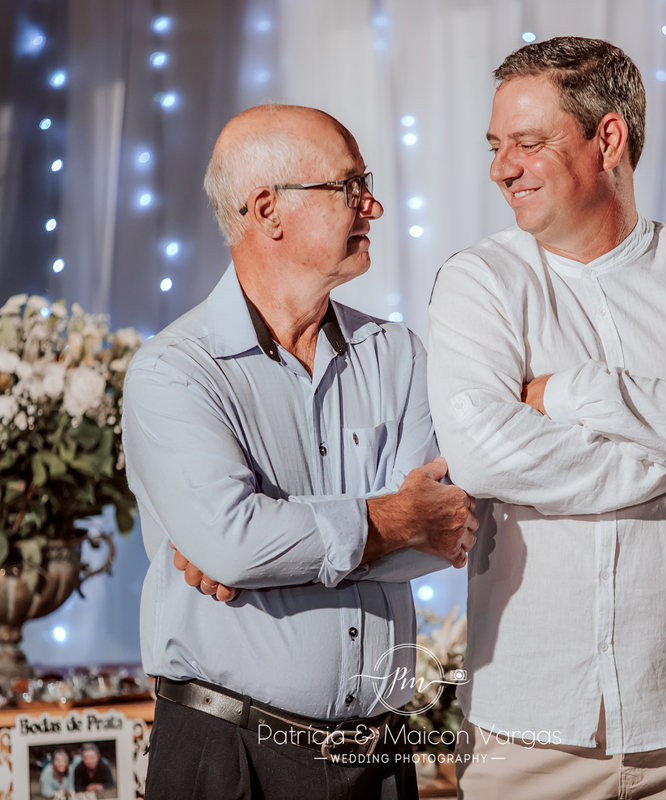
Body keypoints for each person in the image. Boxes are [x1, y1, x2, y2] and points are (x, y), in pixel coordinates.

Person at [427, 37, 666, 798]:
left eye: (528, 143)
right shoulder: (480, 283)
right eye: (496, 146)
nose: (503, 168)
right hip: (529, 728)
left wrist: (574, 394)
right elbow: (482, 456)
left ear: (608, 139)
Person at [122, 104, 478, 800]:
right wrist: (391, 518)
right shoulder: (174, 371)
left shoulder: (397, 354)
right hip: (227, 758)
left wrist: (265, 547)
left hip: (381, 757)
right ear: (267, 210)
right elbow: (237, 544)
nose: (371, 204)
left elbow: (443, 532)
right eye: (349, 186)